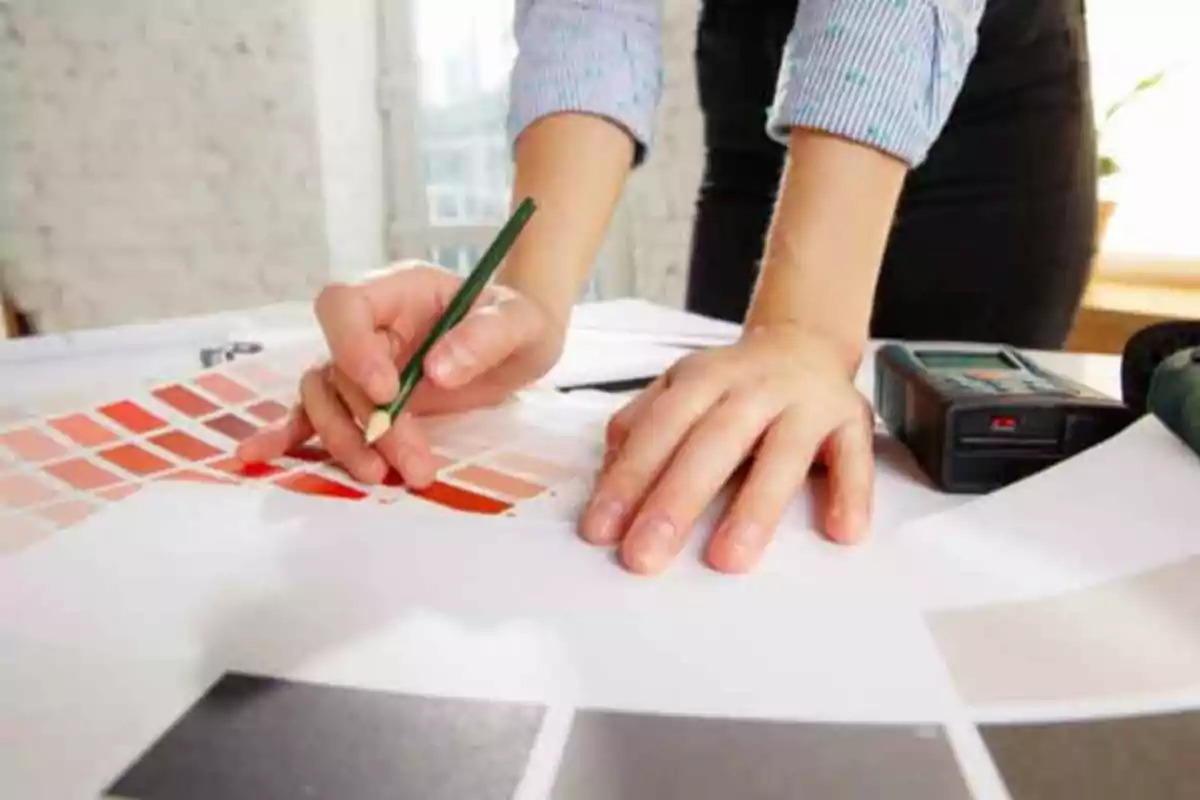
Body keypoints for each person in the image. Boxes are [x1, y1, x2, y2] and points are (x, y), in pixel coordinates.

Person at [239, 0, 1097, 576]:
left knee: (942, 543)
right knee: (724, 474)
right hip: (752, 79)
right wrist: (528, 303)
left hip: (983, 100)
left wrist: (802, 327)